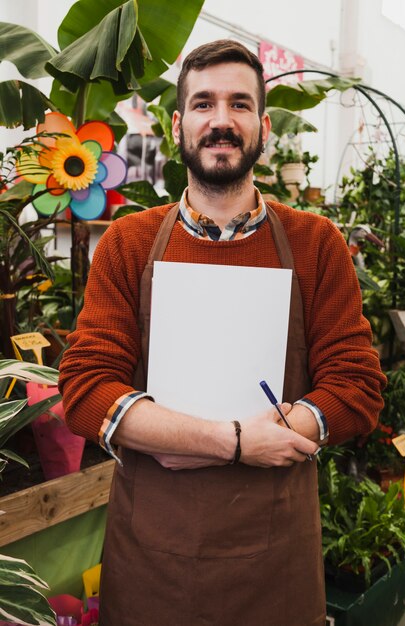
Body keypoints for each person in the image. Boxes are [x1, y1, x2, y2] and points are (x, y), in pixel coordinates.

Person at [59, 39, 386, 626]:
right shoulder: (129, 244)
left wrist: (293, 426)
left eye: (239, 104)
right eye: (204, 104)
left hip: (276, 569)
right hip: (152, 563)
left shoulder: (315, 244)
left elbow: (357, 385)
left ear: (262, 126)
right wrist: (232, 441)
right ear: (179, 123)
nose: (221, 121)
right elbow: (86, 391)